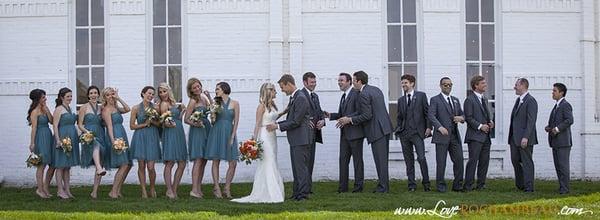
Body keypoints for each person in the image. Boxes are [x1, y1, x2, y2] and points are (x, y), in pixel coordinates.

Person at [337, 71, 393, 193]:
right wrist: (347, 118)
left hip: (376, 130)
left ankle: (383, 188)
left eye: (354, 80)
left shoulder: (362, 94)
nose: (353, 82)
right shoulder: (375, 89)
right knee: (383, 160)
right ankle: (383, 186)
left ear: (359, 81)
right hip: (385, 127)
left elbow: (367, 115)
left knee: (380, 160)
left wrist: (350, 119)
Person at [232, 82, 285, 203]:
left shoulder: (273, 105)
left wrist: (285, 111)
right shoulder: (261, 106)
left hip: (272, 136)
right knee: (268, 161)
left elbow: (273, 118)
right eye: (274, 90)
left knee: (272, 161)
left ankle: (270, 191)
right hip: (264, 136)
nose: (276, 92)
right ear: (268, 91)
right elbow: (257, 124)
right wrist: (253, 141)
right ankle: (271, 194)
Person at [266, 74, 311, 201]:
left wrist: (277, 126)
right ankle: (297, 193)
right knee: (296, 168)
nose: (281, 90)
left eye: (282, 87)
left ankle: (303, 195)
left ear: (289, 84)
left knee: (301, 168)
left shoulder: (300, 98)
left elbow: (296, 121)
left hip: (301, 139)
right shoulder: (295, 97)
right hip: (296, 139)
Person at [325, 73, 365, 193]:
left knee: (357, 162)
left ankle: (358, 188)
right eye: (338, 80)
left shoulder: (357, 94)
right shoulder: (343, 96)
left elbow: (360, 112)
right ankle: (343, 188)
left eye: (341, 80)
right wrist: (330, 115)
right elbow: (341, 114)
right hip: (344, 134)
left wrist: (347, 118)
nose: (339, 82)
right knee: (343, 160)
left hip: (356, 134)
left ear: (349, 82)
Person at [395, 74, 432, 192]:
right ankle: (411, 185)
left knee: (421, 158)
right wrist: (398, 128)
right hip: (404, 134)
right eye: (402, 83)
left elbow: (427, 113)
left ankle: (426, 183)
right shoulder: (401, 100)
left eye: (405, 83)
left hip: (417, 133)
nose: (403, 85)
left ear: (412, 84)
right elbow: (399, 117)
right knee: (408, 160)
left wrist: (429, 127)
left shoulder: (421, 96)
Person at [428, 77, 465, 192]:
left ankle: (457, 186)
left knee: (459, 160)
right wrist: (439, 127)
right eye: (445, 85)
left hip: (454, 136)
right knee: (441, 162)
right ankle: (441, 186)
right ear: (440, 86)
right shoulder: (435, 100)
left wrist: (461, 118)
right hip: (441, 136)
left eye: (450, 85)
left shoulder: (455, 100)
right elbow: (431, 115)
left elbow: (463, 115)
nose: (448, 87)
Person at [205, 82, 240, 199]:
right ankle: (216, 188)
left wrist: (233, 136)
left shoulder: (235, 103)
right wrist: (213, 115)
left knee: (233, 162)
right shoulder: (216, 103)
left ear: (224, 89)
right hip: (216, 132)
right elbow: (213, 122)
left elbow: (236, 122)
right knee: (216, 160)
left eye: (218, 89)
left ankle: (227, 187)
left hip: (229, 133)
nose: (216, 91)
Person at [130, 86, 162, 198]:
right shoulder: (135, 108)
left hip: (152, 136)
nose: (151, 96)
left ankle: (152, 188)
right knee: (141, 165)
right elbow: (132, 126)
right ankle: (143, 190)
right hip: (140, 137)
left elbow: (159, 124)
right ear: (143, 94)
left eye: (153, 94)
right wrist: (144, 124)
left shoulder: (156, 108)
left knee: (151, 167)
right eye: (149, 93)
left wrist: (152, 121)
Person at [463, 75, 494, 191]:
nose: (485, 85)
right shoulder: (469, 100)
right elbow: (469, 118)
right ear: (476, 85)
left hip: (486, 137)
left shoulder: (484, 99)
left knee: (484, 161)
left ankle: (481, 184)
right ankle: (468, 185)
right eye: (483, 83)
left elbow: (486, 115)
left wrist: (490, 122)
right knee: (473, 161)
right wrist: (481, 126)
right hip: (475, 136)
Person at [77, 86, 108, 198]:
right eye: (91, 93)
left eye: (95, 93)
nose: (94, 95)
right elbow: (80, 124)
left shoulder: (101, 108)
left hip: (100, 133)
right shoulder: (84, 107)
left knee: (100, 161)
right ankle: (99, 168)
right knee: (95, 144)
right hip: (89, 135)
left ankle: (94, 192)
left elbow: (104, 122)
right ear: (88, 95)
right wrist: (87, 132)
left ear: (98, 94)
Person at [158, 83, 188, 199]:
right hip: (170, 133)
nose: (162, 94)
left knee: (182, 162)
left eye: (164, 91)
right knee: (170, 162)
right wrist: (169, 124)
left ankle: (174, 189)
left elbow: (178, 119)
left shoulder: (173, 104)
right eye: (160, 92)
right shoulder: (164, 104)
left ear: (168, 91)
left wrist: (183, 111)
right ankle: (169, 190)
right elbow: (164, 121)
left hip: (178, 131)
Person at [508, 78, 538, 193]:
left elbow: (531, 121)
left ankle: (529, 187)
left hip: (525, 138)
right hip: (514, 138)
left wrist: (525, 137)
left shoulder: (531, 101)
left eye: (516, 85)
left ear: (523, 86)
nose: (514, 87)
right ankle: (520, 184)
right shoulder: (518, 100)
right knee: (515, 160)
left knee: (527, 162)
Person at [101, 87, 132, 198]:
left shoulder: (116, 108)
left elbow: (128, 109)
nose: (110, 97)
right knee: (123, 164)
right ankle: (113, 191)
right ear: (104, 97)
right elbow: (109, 127)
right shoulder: (106, 110)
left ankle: (118, 190)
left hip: (122, 134)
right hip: (115, 136)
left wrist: (118, 98)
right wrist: (113, 141)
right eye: (108, 95)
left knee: (128, 164)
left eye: (112, 94)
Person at [185, 78, 212, 199]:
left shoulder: (204, 98)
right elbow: (186, 119)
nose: (197, 89)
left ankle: (199, 188)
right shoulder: (192, 101)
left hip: (207, 129)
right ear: (191, 90)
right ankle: (194, 189)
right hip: (197, 131)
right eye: (194, 87)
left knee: (204, 160)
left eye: (198, 86)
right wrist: (196, 124)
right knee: (198, 160)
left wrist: (210, 96)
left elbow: (212, 110)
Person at [27, 89, 55, 198]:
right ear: (38, 99)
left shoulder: (44, 109)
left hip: (48, 135)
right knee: (41, 165)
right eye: (43, 97)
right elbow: (33, 128)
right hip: (40, 137)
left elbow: (52, 121)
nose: (45, 98)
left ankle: (45, 188)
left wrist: (47, 109)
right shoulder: (34, 111)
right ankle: (40, 190)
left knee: (51, 164)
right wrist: (32, 143)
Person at [52, 87, 80, 199]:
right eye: (68, 96)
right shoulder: (59, 109)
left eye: (71, 96)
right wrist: (58, 140)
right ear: (62, 97)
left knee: (67, 166)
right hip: (62, 137)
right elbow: (55, 125)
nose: (70, 98)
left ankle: (67, 189)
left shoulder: (69, 108)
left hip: (71, 137)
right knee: (60, 165)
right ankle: (59, 190)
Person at [545, 83, 573, 194]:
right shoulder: (556, 106)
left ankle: (565, 188)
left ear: (561, 93)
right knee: (558, 166)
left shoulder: (565, 105)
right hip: (555, 141)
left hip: (563, 142)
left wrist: (557, 129)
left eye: (554, 91)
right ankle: (562, 187)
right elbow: (555, 121)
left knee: (563, 166)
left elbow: (569, 120)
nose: (552, 93)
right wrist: (549, 127)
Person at [299, 72, 324, 193]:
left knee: (310, 162)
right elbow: (296, 115)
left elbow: (319, 112)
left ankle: (308, 188)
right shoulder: (300, 95)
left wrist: (322, 121)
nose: (314, 84)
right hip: (303, 135)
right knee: (303, 163)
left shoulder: (315, 96)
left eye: (315, 82)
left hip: (313, 135)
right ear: (305, 83)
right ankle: (303, 189)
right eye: (311, 82)